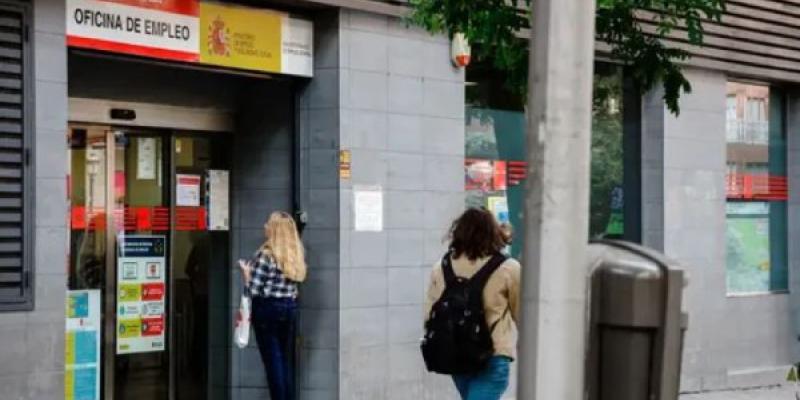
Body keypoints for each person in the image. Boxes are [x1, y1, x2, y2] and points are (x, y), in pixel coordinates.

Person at [424, 208, 521, 400]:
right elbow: (524, 316)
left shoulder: (440, 268)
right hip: (493, 355)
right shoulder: (508, 268)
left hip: (456, 354)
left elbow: (429, 315)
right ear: (493, 232)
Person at [238, 211, 307, 400]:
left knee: (273, 363)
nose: (264, 226)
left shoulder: (266, 255)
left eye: (268, 223)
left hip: (267, 310)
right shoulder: (295, 254)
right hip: (289, 308)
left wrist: (246, 275)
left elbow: (253, 289)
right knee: (284, 361)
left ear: (275, 230)